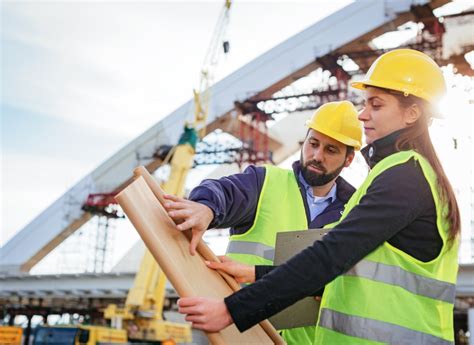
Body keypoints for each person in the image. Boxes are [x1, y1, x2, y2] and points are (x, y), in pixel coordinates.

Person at [176, 48, 461, 345]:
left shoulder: (403, 177)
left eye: (376, 105)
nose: (363, 115)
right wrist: (251, 268)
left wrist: (232, 310)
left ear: (412, 113)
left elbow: (332, 255)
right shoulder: (404, 173)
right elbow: (352, 269)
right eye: (365, 104)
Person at [163, 100, 363, 344]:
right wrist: (207, 207)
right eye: (313, 144)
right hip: (243, 334)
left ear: (349, 159)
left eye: (331, 150)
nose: (317, 156)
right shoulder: (265, 182)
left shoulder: (357, 210)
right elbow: (225, 192)